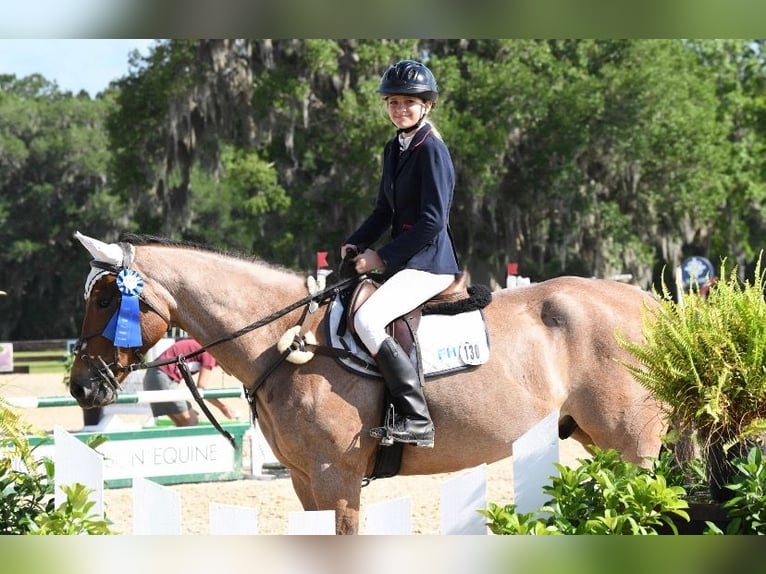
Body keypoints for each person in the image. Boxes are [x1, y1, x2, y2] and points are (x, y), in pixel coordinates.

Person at [341, 60, 460, 448]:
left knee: (369, 319)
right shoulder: (395, 147)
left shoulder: (432, 150)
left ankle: (415, 416)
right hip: (407, 261)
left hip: (430, 263)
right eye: (393, 102)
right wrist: (357, 241)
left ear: (427, 105)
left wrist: (382, 257)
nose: (399, 110)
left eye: (408, 102)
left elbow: (431, 223)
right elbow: (383, 211)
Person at [143, 338, 237, 427]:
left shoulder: (205, 348)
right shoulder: (210, 354)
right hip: (160, 377)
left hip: (153, 377)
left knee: (183, 423)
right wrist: (222, 407)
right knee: (191, 420)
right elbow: (201, 388)